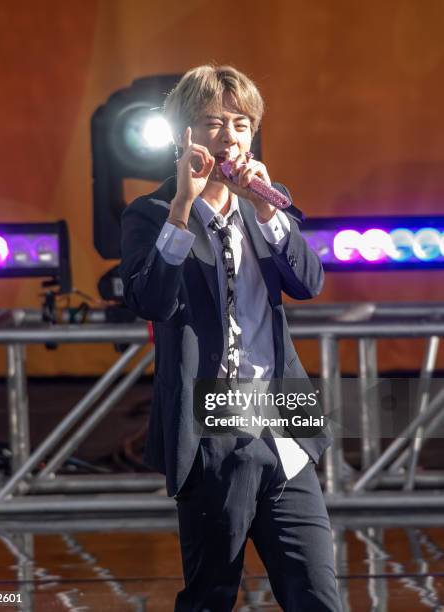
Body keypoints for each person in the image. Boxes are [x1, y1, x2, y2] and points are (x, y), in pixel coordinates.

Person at [119, 65, 342, 611]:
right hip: (212, 421)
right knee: (211, 597)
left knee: (319, 595)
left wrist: (267, 208)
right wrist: (182, 206)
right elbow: (151, 301)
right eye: (213, 123)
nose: (229, 137)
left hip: (286, 420)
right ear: (183, 134)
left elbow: (309, 282)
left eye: (241, 124)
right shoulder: (150, 214)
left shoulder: (268, 201)